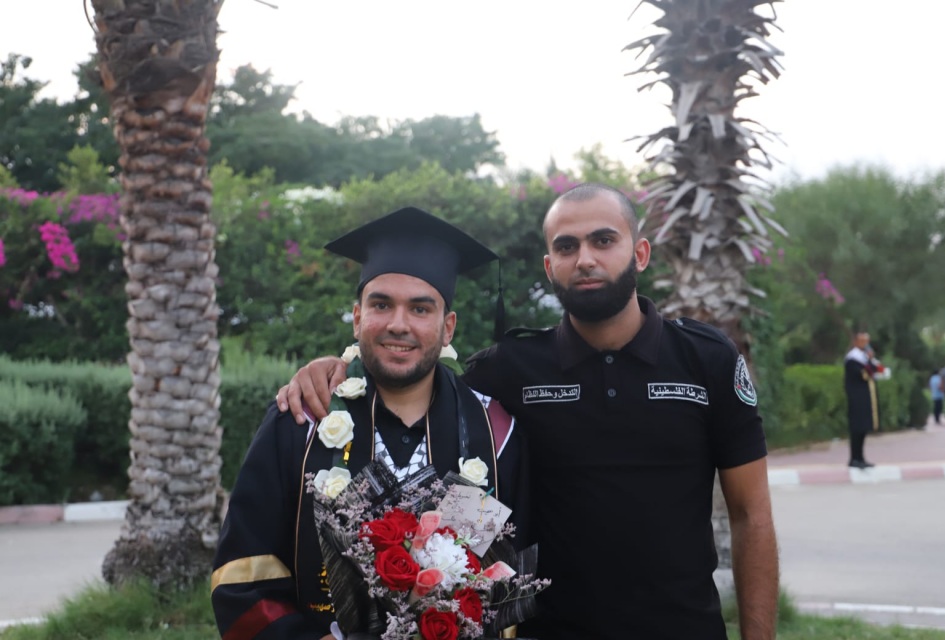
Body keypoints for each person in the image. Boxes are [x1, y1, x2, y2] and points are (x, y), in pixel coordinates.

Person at [277, 183, 779, 639]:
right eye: (567, 246)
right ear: (548, 265)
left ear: (640, 253)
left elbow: (751, 515)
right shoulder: (506, 371)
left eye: (604, 240)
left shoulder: (707, 360)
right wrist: (337, 367)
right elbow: (415, 389)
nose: (585, 259)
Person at [211, 207, 522, 640]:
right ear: (357, 317)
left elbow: (505, 585)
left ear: (447, 327)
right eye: (381, 304)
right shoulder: (303, 421)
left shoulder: (493, 433)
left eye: (420, 308)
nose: (398, 324)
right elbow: (243, 574)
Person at [843, 332, 881, 468]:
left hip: (865, 397)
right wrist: (869, 361)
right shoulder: (852, 359)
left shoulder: (864, 357)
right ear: (855, 342)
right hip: (857, 397)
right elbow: (864, 374)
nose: (865, 344)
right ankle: (854, 458)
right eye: (862, 341)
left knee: (863, 428)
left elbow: (878, 370)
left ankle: (861, 458)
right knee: (857, 428)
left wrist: (871, 360)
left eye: (867, 341)